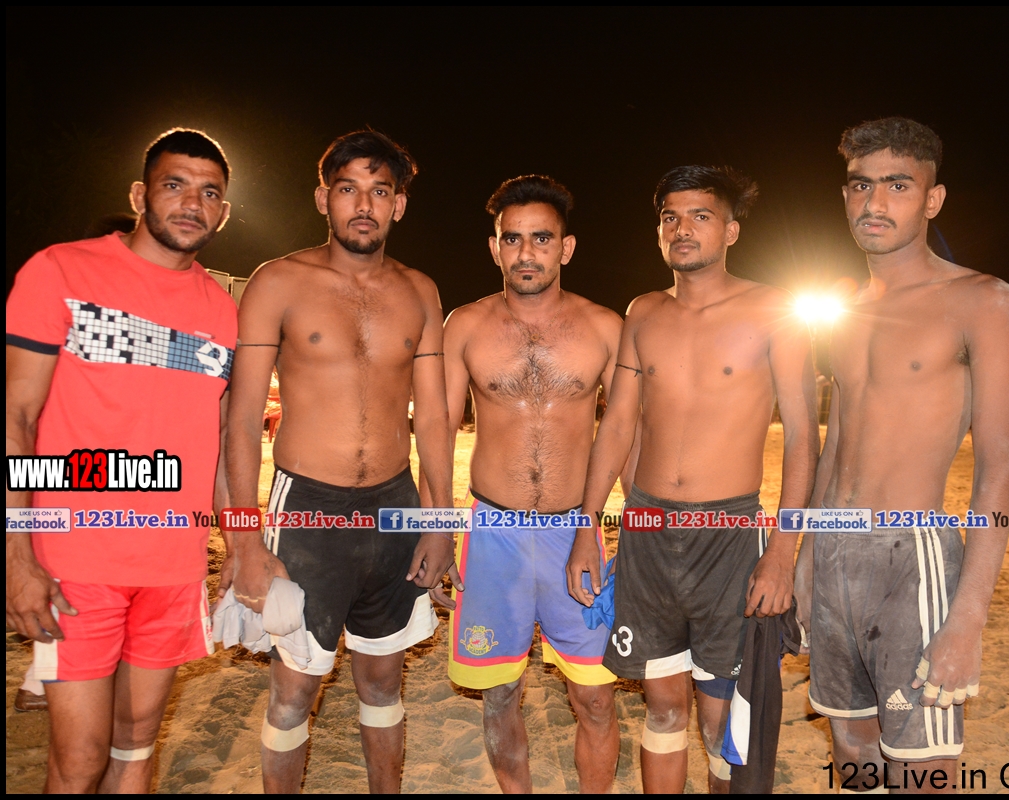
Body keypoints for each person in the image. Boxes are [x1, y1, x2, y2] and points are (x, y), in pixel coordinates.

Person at [566, 165, 819, 793]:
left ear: (730, 231)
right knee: (661, 707)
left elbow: (803, 438)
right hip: (648, 528)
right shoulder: (644, 311)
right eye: (670, 218)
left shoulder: (773, 311)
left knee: (719, 714)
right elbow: (617, 423)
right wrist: (587, 527)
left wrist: (782, 553)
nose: (682, 229)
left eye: (700, 216)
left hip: (728, 534)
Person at [794, 118, 1009, 790]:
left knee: (921, 769)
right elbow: (838, 444)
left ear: (933, 199)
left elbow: (1001, 467)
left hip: (913, 557)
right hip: (834, 553)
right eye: (860, 185)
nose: (874, 202)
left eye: (898, 185)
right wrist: (807, 558)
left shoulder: (983, 300)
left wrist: (968, 621)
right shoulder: (845, 308)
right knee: (851, 747)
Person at [224, 130, 456, 794]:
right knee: (295, 688)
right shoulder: (278, 282)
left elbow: (433, 418)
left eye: (380, 191)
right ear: (323, 198)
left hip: (394, 505)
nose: (364, 204)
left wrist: (439, 524)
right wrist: (242, 540)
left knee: (383, 680)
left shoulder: (419, 291)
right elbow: (241, 418)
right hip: (308, 510)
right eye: (348, 189)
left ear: (398, 205)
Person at [5, 129, 237, 792]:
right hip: (76, 563)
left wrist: (240, 541)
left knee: (135, 750)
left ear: (222, 212)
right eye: (175, 185)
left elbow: (221, 441)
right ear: (140, 194)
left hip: (172, 566)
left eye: (209, 193)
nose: (191, 203)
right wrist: (16, 554)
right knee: (79, 761)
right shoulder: (60, 272)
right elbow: (16, 418)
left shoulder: (222, 312)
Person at [438, 175, 623, 792]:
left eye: (541, 239)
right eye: (512, 239)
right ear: (494, 248)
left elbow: (627, 432)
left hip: (576, 529)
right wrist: (435, 527)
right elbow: (436, 432)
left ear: (565, 248)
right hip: (493, 532)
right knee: (499, 694)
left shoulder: (604, 327)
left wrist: (618, 528)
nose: (526, 253)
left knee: (594, 695)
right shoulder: (465, 325)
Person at [13, 211, 141, 716]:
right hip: (63, 481)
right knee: (61, 577)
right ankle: (42, 677)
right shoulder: (62, 302)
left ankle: (40, 678)